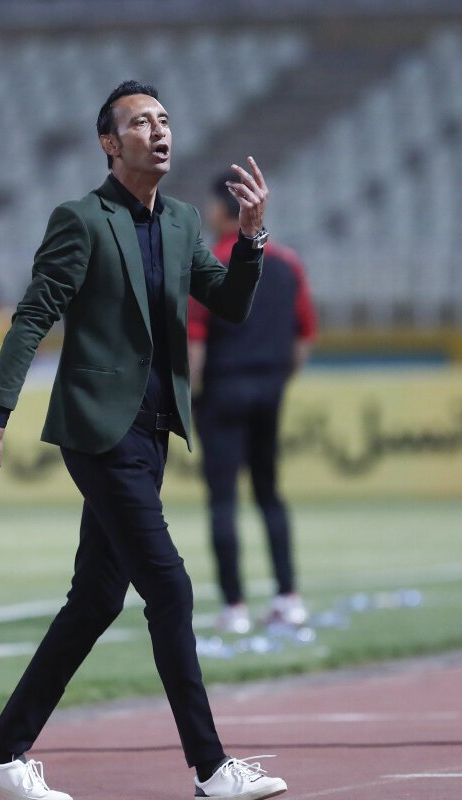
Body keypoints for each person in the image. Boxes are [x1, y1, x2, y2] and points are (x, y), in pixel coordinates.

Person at [0, 81, 288, 800]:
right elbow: (31, 319)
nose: (159, 131)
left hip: (152, 432)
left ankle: (1, 754)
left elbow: (228, 304)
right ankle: (211, 768)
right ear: (110, 143)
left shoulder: (180, 222)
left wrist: (251, 239)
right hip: (98, 431)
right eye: (141, 122)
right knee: (169, 586)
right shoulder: (80, 220)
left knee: (97, 599)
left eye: (164, 120)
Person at [188, 175, 317, 636]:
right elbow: (304, 336)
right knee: (269, 493)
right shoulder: (287, 263)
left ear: (223, 211)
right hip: (269, 389)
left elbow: (195, 342)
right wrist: (280, 380)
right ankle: (288, 597)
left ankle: (235, 606)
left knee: (223, 499)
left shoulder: (209, 263)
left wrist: (192, 395)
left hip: (222, 390)